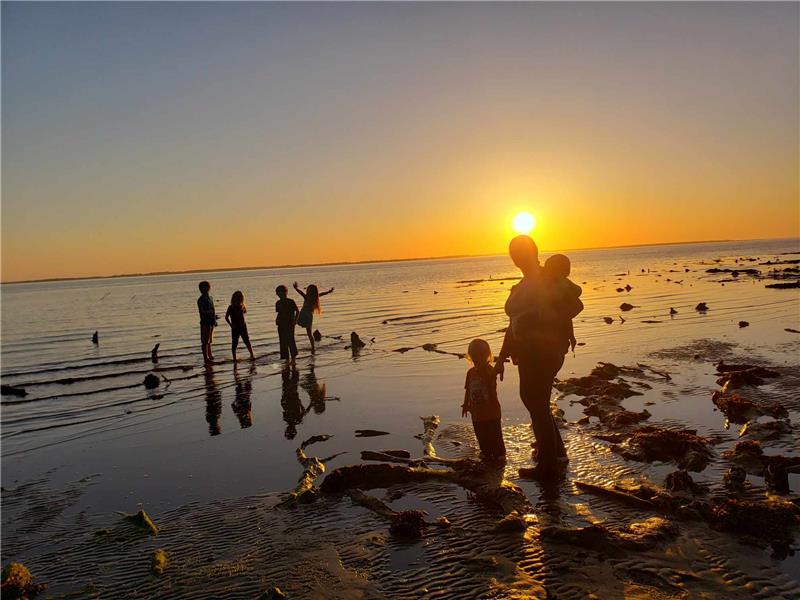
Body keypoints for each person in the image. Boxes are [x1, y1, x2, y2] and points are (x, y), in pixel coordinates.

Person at [496, 236, 583, 481]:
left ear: (534, 251)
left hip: (544, 350)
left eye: (522, 251)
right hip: (526, 351)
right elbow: (512, 324)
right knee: (536, 402)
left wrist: (539, 318)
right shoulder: (524, 283)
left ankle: (548, 466)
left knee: (536, 402)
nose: (517, 256)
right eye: (513, 252)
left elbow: (576, 306)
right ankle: (556, 454)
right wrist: (500, 357)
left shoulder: (548, 278)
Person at [462, 338, 506, 461]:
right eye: (474, 358)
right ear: (471, 357)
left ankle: (500, 454)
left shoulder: (490, 371)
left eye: (480, 357)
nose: (477, 361)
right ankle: (486, 452)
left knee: (495, 433)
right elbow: (468, 390)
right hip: (476, 413)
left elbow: (492, 388)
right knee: (481, 434)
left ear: (486, 356)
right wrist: (466, 404)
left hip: (491, 411)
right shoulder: (470, 373)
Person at [542, 253, 582, 353]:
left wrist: (571, 336)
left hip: (557, 333)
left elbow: (567, 317)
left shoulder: (562, 284)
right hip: (551, 333)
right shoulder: (548, 286)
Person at [293, 282, 334, 353]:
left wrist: (296, 288)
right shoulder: (315, 297)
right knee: (309, 333)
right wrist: (329, 292)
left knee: (295, 321)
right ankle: (313, 347)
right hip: (308, 315)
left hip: (303, 314)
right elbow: (322, 294)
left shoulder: (308, 297)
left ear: (309, 291)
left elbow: (301, 293)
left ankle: (312, 347)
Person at [225, 290, 255, 363]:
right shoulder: (231, 307)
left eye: (240, 298)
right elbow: (226, 317)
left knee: (247, 341)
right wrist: (231, 325)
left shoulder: (242, 306)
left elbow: (244, 312)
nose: (238, 300)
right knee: (235, 342)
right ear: (233, 298)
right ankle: (234, 358)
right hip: (235, 327)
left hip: (243, 326)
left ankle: (252, 355)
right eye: (237, 298)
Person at [275, 285, 299, 362]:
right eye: (277, 293)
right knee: (282, 341)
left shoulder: (291, 301)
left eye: (278, 292)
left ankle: (293, 358)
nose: (277, 294)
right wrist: (277, 319)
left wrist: (295, 320)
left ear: (284, 292)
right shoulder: (278, 303)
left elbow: (297, 311)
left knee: (291, 340)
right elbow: (279, 313)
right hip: (281, 324)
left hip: (290, 324)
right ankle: (286, 359)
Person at [197, 281, 217, 364]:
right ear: (201, 289)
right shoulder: (200, 299)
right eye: (204, 288)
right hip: (205, 321)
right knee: (205, 340)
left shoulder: (210, 298)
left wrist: (214, 319)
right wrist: (209, 312)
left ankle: (210, 354)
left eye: (208, 287)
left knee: (209, 340)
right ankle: (206, 357)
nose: (207, 289)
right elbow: (202, 310)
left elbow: (213, 309)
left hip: (211, 321)